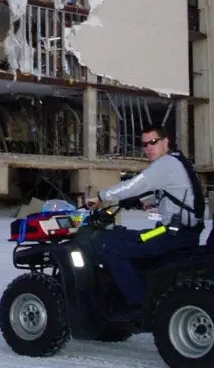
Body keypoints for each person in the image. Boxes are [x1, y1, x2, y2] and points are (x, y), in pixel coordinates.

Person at [84, 125, 205, 322]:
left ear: (165, 142)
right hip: (179, 232)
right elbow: (171, 195)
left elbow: (135, 184)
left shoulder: (165, 164)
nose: (149, 148)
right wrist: (139, 202)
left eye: (153, 142)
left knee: (111, 248)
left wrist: (101, 197)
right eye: (145, 144)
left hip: (172, 235)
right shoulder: (178, 161)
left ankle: (138, 304)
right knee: (133, 236)